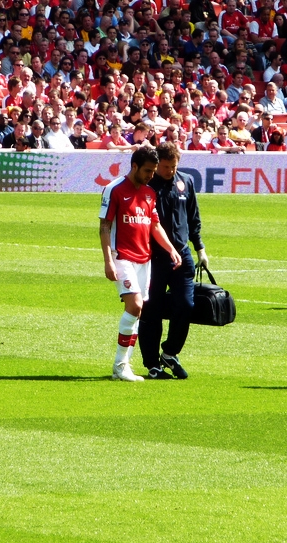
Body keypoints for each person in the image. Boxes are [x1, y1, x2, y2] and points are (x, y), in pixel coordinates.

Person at [99, 146, 182, 382]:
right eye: (147, 171)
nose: (151, 175)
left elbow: (154, 225)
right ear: (134, 166)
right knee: (134, 306)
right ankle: (120, 365)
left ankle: (124, 365)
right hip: (122, 256)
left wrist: (171, 249)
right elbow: (104, 226)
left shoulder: (149, 193)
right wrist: (108, 260)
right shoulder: (114, 189)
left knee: (137, 312)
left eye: (153, 171)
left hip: (144, 259)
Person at [138, 142, 208, 380]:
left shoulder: (186, 181)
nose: (169, 171)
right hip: (153, 257)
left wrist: (200, 249)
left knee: (186, 305)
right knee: (152, 311)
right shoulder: (147, 186)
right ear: (158, 164)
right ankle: (151, 364)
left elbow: (193, 216)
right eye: (165, 167)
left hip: (182, 254)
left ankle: (169, 353)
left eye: (173, 166)